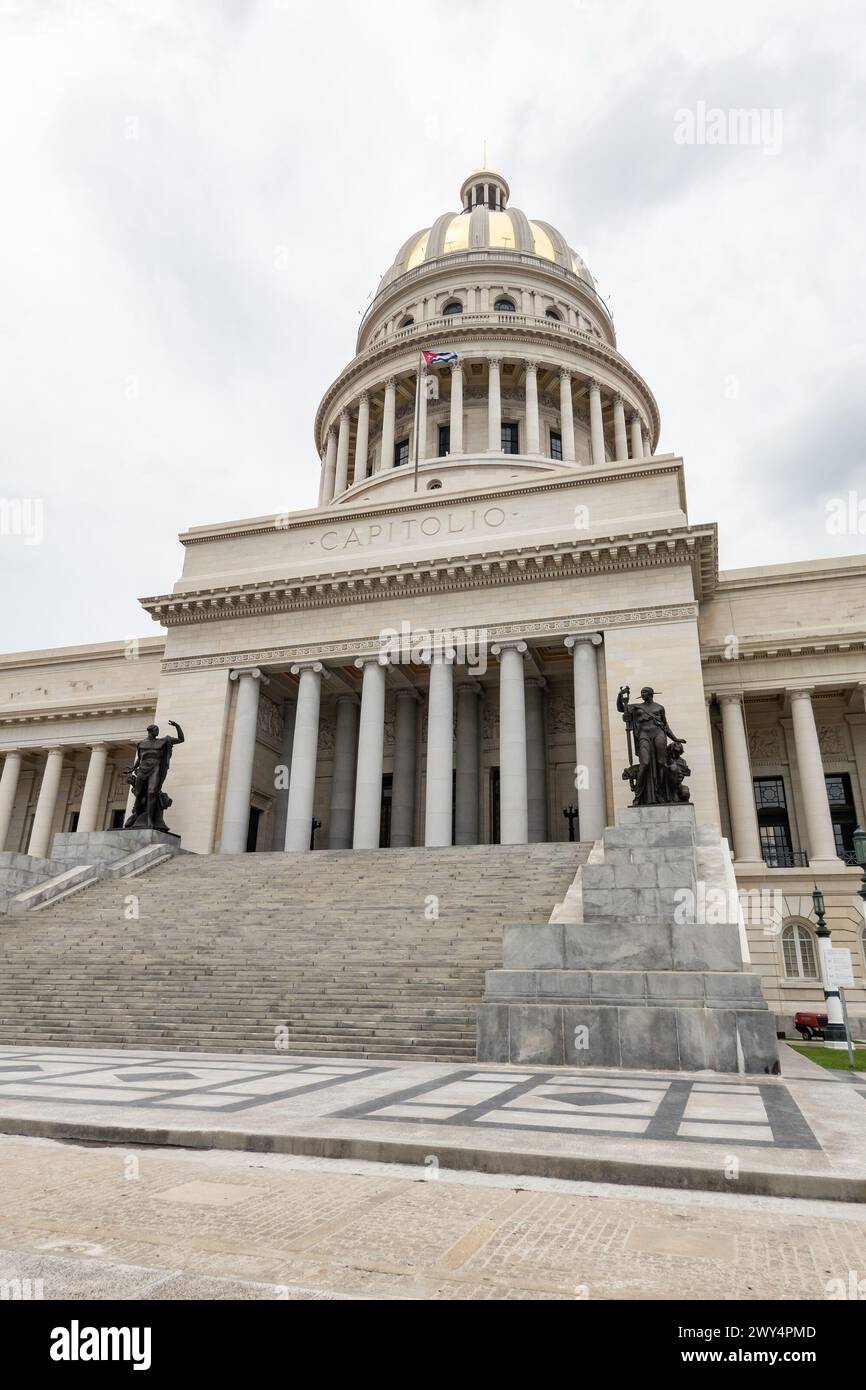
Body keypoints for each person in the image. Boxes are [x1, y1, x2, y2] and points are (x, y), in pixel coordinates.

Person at [616, 687, 686, 806]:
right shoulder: (637, 707)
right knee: (645, 763)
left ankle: (661, 792)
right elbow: (621, 708)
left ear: (651, 694)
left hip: (659, 733)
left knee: (662, 763)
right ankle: (638, 795)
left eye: (644, 692)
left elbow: (666, 726)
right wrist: (620, 695)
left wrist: (675, 739)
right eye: (641, 692)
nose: (642, 694)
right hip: (644, 735)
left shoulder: (659, 707)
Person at [125, 721, 184, 831]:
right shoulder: (141, 744)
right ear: (150, 731)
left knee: (152, 792)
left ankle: (150, 819)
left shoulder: (162, 742)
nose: (158, 732)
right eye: (156, 730)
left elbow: (181, 739)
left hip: (155, 768)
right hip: (143, 769)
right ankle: (137, 816)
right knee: (139, 794)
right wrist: (133, 768)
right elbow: (140, 758)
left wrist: (178, 727)